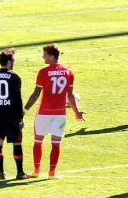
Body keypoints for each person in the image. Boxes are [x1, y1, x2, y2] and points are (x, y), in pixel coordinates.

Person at [23, 44, 84, 178]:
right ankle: (52, 172)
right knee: (56, 143)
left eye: (44, 54)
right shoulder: (69, 72)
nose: (43, 57)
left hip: (44, 113)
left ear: (51, 56)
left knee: (38, 141)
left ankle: (36, 171)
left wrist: (24, 110)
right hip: (60, 114)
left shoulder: (43, 72)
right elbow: (71, 96)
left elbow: (35, 94)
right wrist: (76, 112)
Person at [0, 48, 28, 180]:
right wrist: (21, 117)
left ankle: (2, 173)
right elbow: (18, 99)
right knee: (17, 143)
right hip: (11, 115)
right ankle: (20, 172)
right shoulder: (15, 77)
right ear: (9, 62)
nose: (14, 63)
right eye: (14, 60)